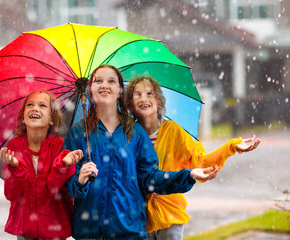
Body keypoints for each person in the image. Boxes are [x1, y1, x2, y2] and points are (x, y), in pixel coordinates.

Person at [63, 65, 219, 240]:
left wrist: (188, 175)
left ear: (120, 91)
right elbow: (66, 183)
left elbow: (151, 178)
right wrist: (80, 180)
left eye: (111, 81)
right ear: (90, 90)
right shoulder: (77, 133)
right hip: (89, 232)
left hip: (129, 231)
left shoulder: (135, 133)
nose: (104, 85)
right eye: (98, 81)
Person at [124, 76, 261, 240]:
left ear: (159, 101)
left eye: (149, 93)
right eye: (137, 94)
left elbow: (201, 162)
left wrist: (231, 147)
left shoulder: (173, 132)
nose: (143, 98)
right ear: (130, 104)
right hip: (137, 219)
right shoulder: (126, 135)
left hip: (170, 217)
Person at [0, 90, 83, 240]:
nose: (35, 108)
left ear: (52, 119)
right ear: (23, 118)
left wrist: (64, 164)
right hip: (26, 230)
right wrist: (15, 166)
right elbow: (11, 194)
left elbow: (53, 187)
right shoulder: (14, 146)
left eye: (42, 105)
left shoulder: (59, 145)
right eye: (30, 105)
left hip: (54, 228)